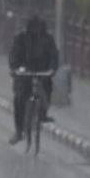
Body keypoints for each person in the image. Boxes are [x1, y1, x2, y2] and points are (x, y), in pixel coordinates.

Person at [8, 14, 59, 145]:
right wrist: (16, 69)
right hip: (24, 75)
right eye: (34, 28)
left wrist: (52, 69)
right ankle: (19, 130)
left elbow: (54, 56)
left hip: (43, 74)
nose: (36, 30)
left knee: (46, 90)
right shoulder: (21, 38)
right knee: (19, 98)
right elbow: (14, 56)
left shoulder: (48, 39)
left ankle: (43, 113)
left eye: (39, 28)